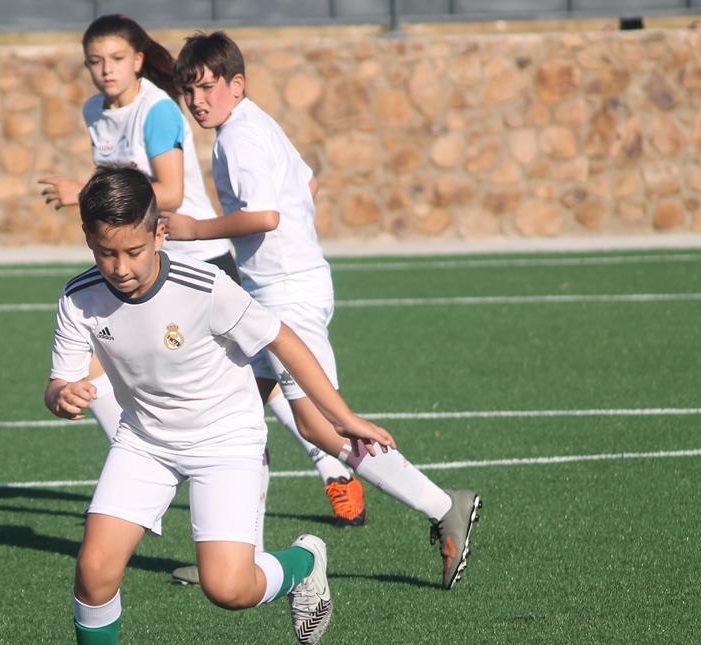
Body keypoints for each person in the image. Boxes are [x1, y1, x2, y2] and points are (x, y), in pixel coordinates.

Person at [44, 167, 396, 645]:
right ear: (88, 240)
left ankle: (305, 562)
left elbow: (281, 338)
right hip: (146, 439)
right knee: (93, 568)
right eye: (106, 253)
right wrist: (63, 395)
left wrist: (342, 415)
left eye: (134, 251)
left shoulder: (204, 287)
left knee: (228, 589)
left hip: (227, 438)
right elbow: (58, 382)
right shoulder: (79, 298)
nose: (122, 268)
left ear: (159, 234)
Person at [167, 32, 481, 589]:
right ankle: (238, 554)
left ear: (236, 85)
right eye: (189, 91)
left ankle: (441, 505)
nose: (197, 101)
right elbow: (306, 180)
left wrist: (195, 229)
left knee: (320, 421)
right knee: (241, 404)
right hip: (281, 285)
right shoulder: (255, 122)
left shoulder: (238, 137)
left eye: (207, 88)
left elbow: (265, 217)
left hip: (285, 293)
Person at [37, 14, 366, 530]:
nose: (106, 70)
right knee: (119, 374)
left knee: (266, 391)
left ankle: (335, 467)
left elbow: (164, 194)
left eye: (117, 58)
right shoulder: (94, 112)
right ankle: (147, 477)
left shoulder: (160, 112)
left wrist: (86, 191)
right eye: (95, 61)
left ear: (139, 60)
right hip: (145, 267)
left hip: (192, 264)